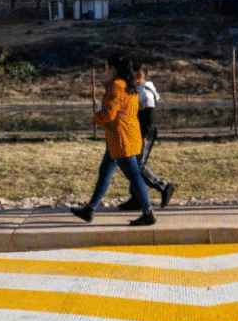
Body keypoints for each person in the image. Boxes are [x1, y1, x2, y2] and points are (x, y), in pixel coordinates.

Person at [71, 52, 157, 226]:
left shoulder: (116, 86)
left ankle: (148, 212)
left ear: (113, 69)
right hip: (126, 136)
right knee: (105, 172)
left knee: (134, 176)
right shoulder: (129, 85)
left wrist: (97, 117)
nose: (105, 71)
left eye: (106, 68)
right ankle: (90, 209)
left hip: (120, 139)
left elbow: (109, 115)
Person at [117, 64, 175, 210]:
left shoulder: (145, 92)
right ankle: (137, 197)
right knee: (134, 164)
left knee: (137, 165)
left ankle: (163, 186)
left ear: (140, 77)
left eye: (132, 76)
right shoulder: (139, 90)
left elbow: (150, 117)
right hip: (137, 132)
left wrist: (144, 135)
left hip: (145, 133)